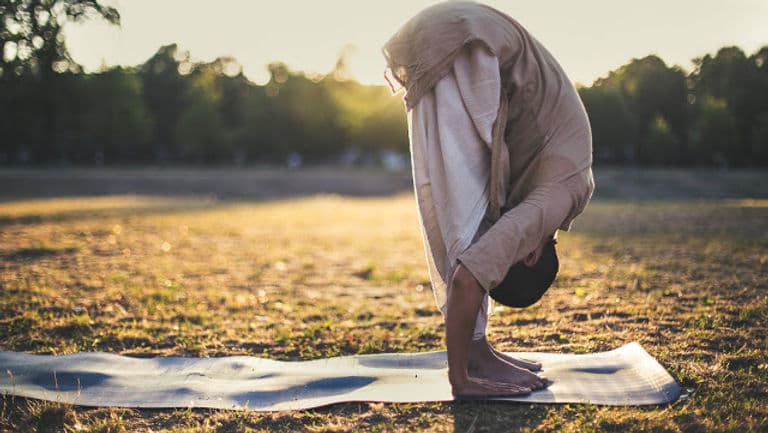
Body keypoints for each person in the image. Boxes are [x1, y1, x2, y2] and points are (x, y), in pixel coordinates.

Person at [382, 1, 595, 397]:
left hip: (458, 34)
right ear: (531, 253)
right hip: (467, 41)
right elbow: (468, 277)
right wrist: (460, 383)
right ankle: (470, 365)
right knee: (466, 218)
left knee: (465, 212)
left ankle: (479, 351)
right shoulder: (556, 198)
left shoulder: (558, 183)